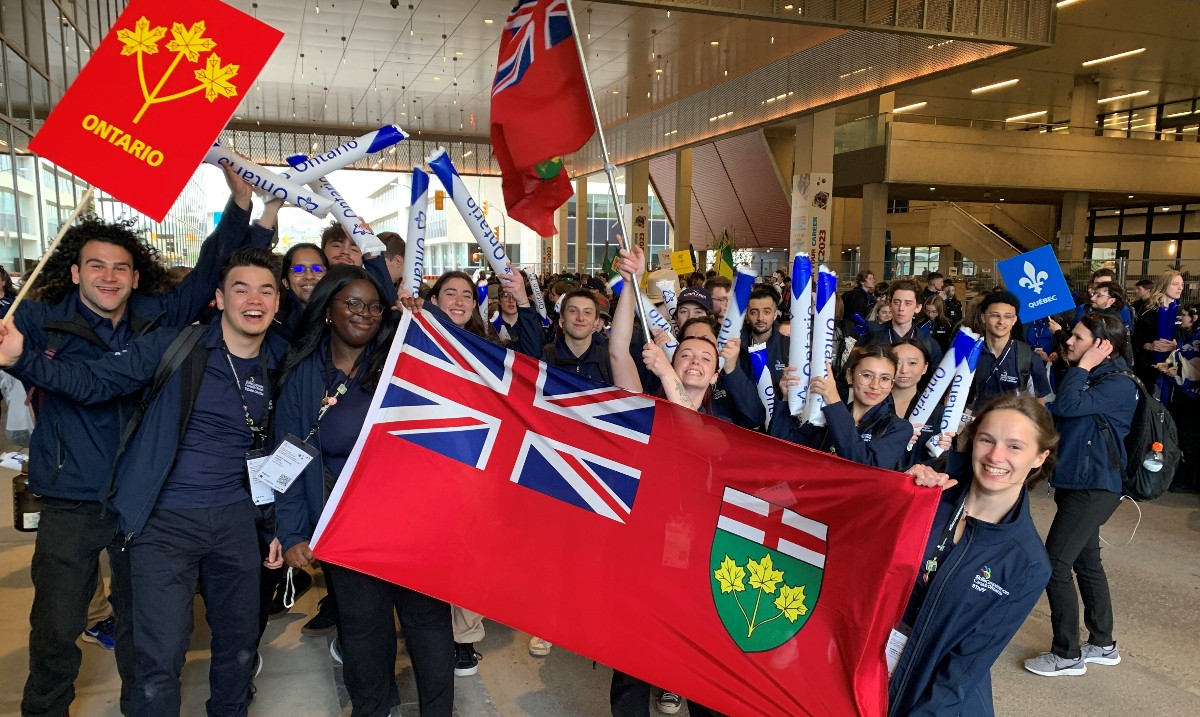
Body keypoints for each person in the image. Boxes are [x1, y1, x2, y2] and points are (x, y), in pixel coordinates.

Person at [1, 164, 264, 717]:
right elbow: (66, 376)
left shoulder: (155, 322)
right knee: (56, 626)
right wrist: (16, 351)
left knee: (142, 632)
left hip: (141, 502)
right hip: (71, 498)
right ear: (74, 273)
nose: (109, 275)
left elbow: (208, 277)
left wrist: (239, 207)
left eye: (121, 267)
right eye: (96, 265)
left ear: (137, 277)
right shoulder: (36, 323)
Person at [275, 265, 454, 716]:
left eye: (374, 306)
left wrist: (427, 316)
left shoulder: (402, 359)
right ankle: (372, 708)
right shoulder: (304, 377)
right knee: (362, 631)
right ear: (329, 310)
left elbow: (459, 361)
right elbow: (288, 460)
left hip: (415, 524)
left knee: (428, 626)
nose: (364, 313)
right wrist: (293, 532)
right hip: (347, 530)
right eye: (352, 303)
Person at [607, 246, 726, 717]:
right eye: (686, 355)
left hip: (696, 554)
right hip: (641, 542)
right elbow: (617, 350)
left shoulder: (723, 429)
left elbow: (692, 434)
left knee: (696, 659)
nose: (694, 361)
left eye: (704, 358)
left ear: (715, 374)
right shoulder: (644, 404)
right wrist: (629, 290)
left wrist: (666, 370)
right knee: (631, 657)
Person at [889, 395, 1055, 716]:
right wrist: (899, 490)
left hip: (931, 701)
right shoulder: (930, 498)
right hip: (865, 673)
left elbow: (965, 667)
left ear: (1039, 457)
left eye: (1015, 447)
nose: (996, 455)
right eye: (987, 440)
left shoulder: (1027, 563)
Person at [1022, 313, 1137, 678]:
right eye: (1071, 336)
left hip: (1095, 487)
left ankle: (1066, 653)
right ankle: (1102, 644)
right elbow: (1067, 410)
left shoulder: (1116, 383)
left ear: (1105, 347)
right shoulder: (1097, 379)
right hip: (1081, 484)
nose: (1070, 342)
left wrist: (1083, 366)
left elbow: (1070, 405)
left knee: (1053, 564)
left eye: (1080, 338)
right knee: (1087, 563)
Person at [770, 345, 912, 469]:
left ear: (892, 384)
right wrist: (787, 397)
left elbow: (865, 466)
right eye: (867, 375)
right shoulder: (826, 414)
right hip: (813, 495)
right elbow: (783, 448)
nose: (875, 385)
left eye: (885, 379)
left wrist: (833, 401)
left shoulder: (899, 428)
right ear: (850, 376)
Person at [966, 290, 1051, 412]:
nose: (1001, 321)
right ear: (983, 318)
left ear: (1014, 320)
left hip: (1011, 427)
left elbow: (1039, 403)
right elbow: (951, 395)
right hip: (974, 424)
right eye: (995, 315)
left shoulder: (1028, 358)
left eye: (1008, 316)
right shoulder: (968, 353)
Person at [889, 339, 945, 470]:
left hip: (917, 485)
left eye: (912, 363)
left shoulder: (937, 412)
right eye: (896, 362)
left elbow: (941, 462)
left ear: (925, 367)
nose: (903, 370)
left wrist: (941, 448)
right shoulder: (871, 405)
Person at [864, 279, 944, 367]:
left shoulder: (929, 344)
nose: (901, 308)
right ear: (890, 305)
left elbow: (936, 379)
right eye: (897, 302)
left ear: (918, 308)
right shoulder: (871, 337)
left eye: (908, 303)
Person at [1132, 269, 1184, 390]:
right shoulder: (1147, 312)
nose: (1180, 288)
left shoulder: (1183, 313)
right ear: (1164, 285)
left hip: (1175, 367)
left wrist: (1177, 347)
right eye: (1175, 284)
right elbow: (1136, 339)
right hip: (1149, 366)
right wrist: (1149, 346)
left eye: (1182, 284)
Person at [276, 242, 329, 341]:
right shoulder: (274, 324)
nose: (309, 276)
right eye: (298, 269)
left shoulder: (339, 318)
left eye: (317, 269)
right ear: (285, 282)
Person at [841, 269, 875, 336]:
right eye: (870, 278)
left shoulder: (867, 296)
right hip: (857, 329)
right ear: (862, 282)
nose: (873, 280)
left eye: (873, 278)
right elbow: (856, 315)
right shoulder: (859, 296)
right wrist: (868, 327)